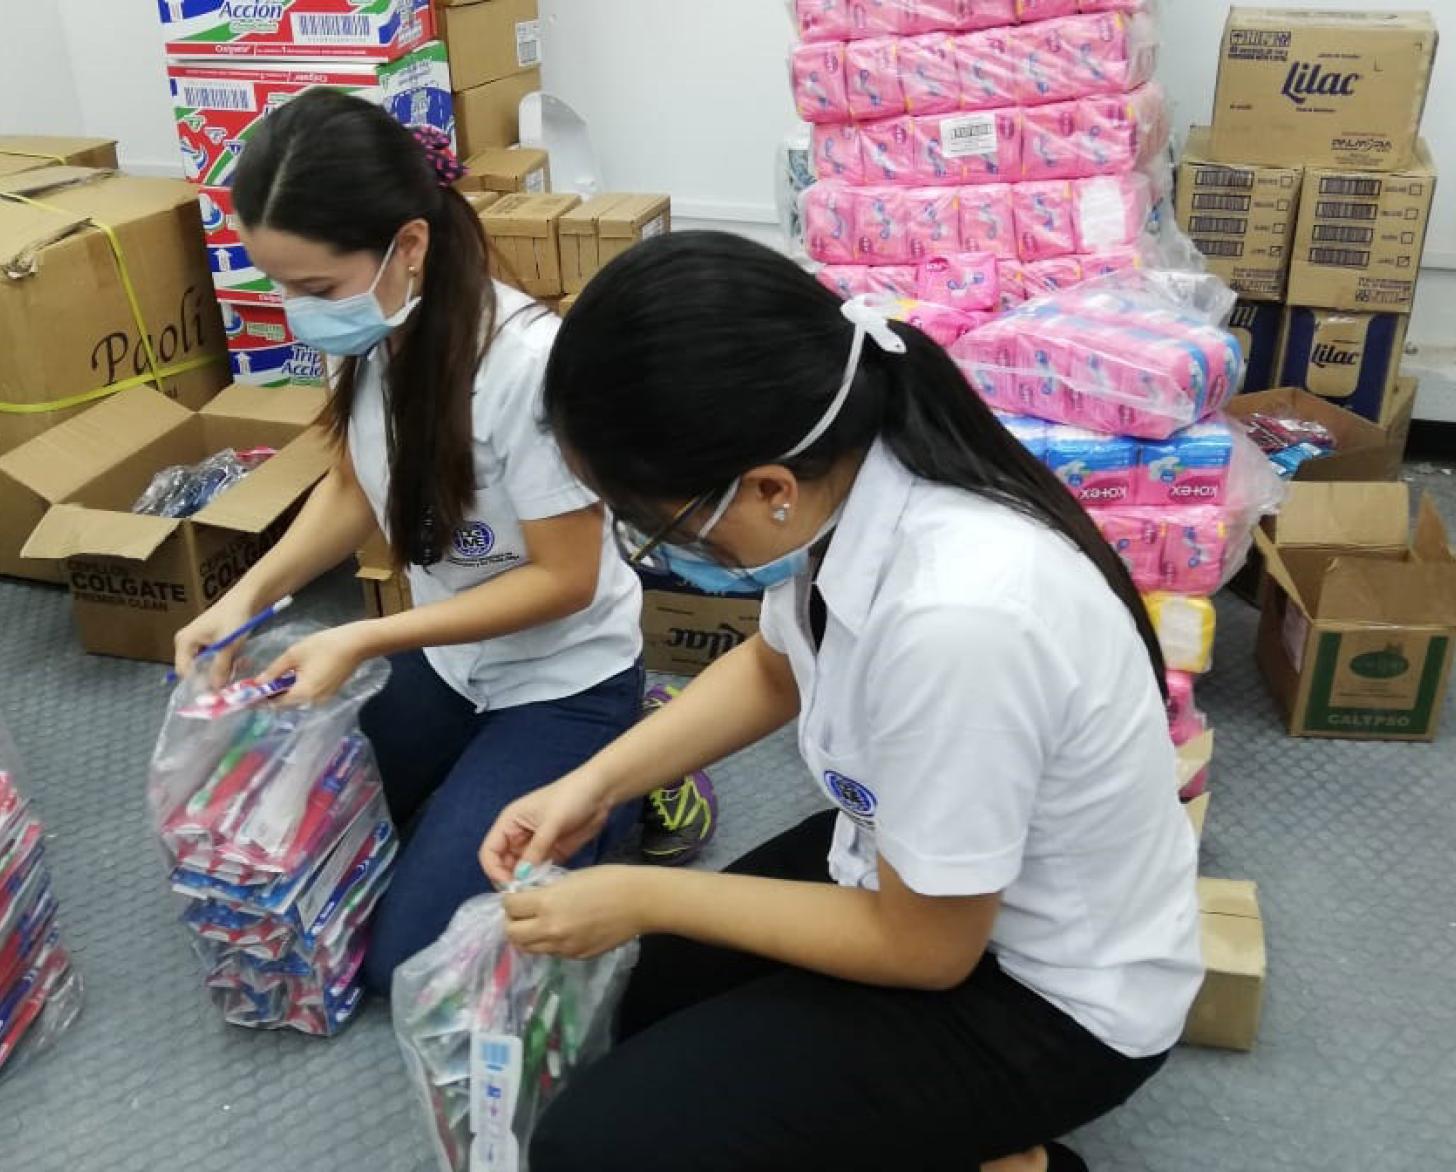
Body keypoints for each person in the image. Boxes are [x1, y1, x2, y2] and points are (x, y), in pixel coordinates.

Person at [478, 232, 1203, 1172]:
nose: (652, 544)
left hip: (1039, 995)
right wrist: (597, 784)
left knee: (596, 1150)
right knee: (643, 1002)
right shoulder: (843, 481)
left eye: (653, 522)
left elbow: (926, 948)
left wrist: (645, 894)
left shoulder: (959, 617)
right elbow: (775, 669)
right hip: (908, 870)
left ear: (767, 488)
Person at [170, 90, 716, 994]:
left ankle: (633, 768)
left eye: (314, 289)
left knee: (414, 962)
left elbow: (567, 581)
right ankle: (487, 773)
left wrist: (361, 636)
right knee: (271, 843)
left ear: (409, 245)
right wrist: (243, 599)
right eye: (280, 285)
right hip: (450, 662)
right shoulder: (371, 326)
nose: (297, 310)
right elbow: (355, 485)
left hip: (562, 680)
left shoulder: (527, 365)